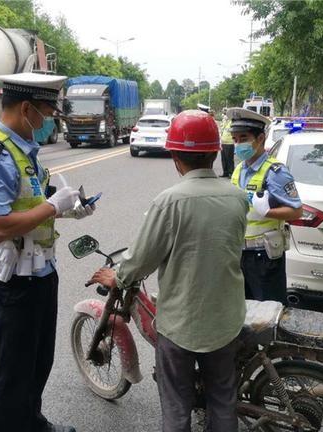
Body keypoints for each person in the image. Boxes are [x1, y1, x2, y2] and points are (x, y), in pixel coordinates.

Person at [88, 110, 248, 432]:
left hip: (181, 325)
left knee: (176, 406)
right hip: (226, 321)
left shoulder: (169, 202)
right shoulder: (238, 197)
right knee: (223, 400)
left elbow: (140, 260)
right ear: (216, 152)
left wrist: (116, 277)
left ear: (176, 157)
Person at [0, 72, 95, 432]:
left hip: (40, 273)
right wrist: (53, 206)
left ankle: (31, 423)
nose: (47, 121)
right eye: (46, 114)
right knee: (14, 370)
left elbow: (31, 203)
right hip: (12, 281)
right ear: (25, 109)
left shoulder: (24, 150)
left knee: (38, 362)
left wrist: (70, 207)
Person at [227, 108, 303, 304]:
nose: (238, 144)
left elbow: (297, 211)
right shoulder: (239, 169)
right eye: (235, 139)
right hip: (240, 253)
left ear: (260, 138)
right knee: (241, 310)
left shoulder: (275, 172)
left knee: (268, 313)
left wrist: (269, 212)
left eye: (243, 138)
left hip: (264, 257)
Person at [219, 108, 234, 178]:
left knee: (229, 159)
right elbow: (222, 130)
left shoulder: (232, 122)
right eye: (224, 113)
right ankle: (225, 172)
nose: (224, 115)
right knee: (223, 158)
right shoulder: (224, 121)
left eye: (225, 114)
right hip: (223, 142)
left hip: (229, 142)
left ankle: (231, 173)